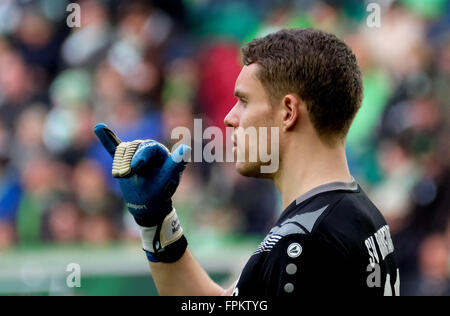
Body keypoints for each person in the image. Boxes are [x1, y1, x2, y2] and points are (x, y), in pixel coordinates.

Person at [94, 28, 399, 296]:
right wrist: (157, 222)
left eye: (243, 100)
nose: (229, 118)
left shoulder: (300, 243)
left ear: (288, 112)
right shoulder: (362, 214)